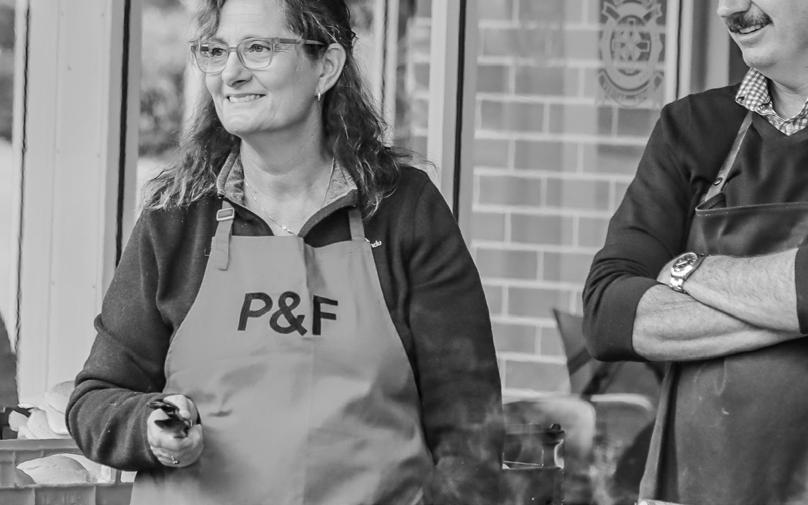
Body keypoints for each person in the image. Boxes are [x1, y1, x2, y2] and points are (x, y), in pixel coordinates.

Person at [66, 1, 503, 504]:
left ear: (326, 66)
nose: (230, 73)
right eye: (217, 50)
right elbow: (96, 398)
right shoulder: (177, 218)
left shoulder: (404, 210)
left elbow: (471, 426)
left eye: (258, 48)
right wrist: (149, 428)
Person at [582, 0, 808, 504]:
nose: (727, 9)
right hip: (689, 487)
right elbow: (608, 313)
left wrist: (684, 271)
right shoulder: (691, 126)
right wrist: (804, 303)